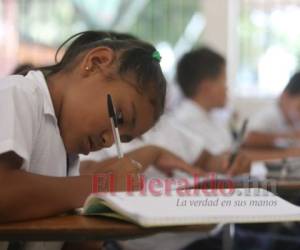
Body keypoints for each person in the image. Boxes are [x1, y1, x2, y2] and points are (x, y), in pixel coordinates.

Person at [0, 30, 201, 250]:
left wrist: (101, 217)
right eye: (120, 117)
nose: (108, 141)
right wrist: (102, 185)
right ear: (96, 62)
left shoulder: (67, 153)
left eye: (124, 138)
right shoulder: (18, 94)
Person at [245, 71, 300, 148]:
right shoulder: (270, 114)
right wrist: (291, 136)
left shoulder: (295, 121)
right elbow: (250, 138)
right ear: (285, 96)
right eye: (299, 107)